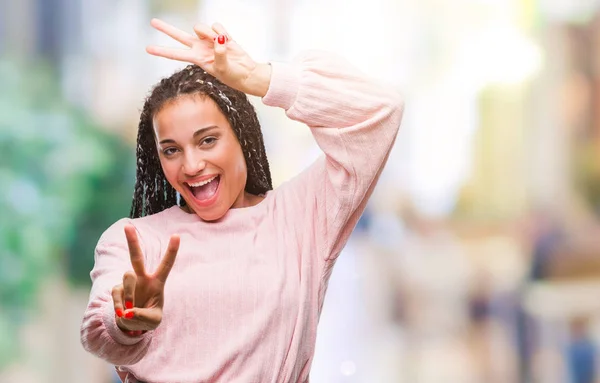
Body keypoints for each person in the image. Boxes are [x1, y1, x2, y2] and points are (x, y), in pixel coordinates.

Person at [80, 18, 404, 383]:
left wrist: (256, 77)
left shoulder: (300, 219)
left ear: (242, 137)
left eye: (207, 140)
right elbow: (97, 330)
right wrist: (127, 322)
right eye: (171, 150)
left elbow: (380, 110)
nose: (191, 165)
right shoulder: (135, 241)